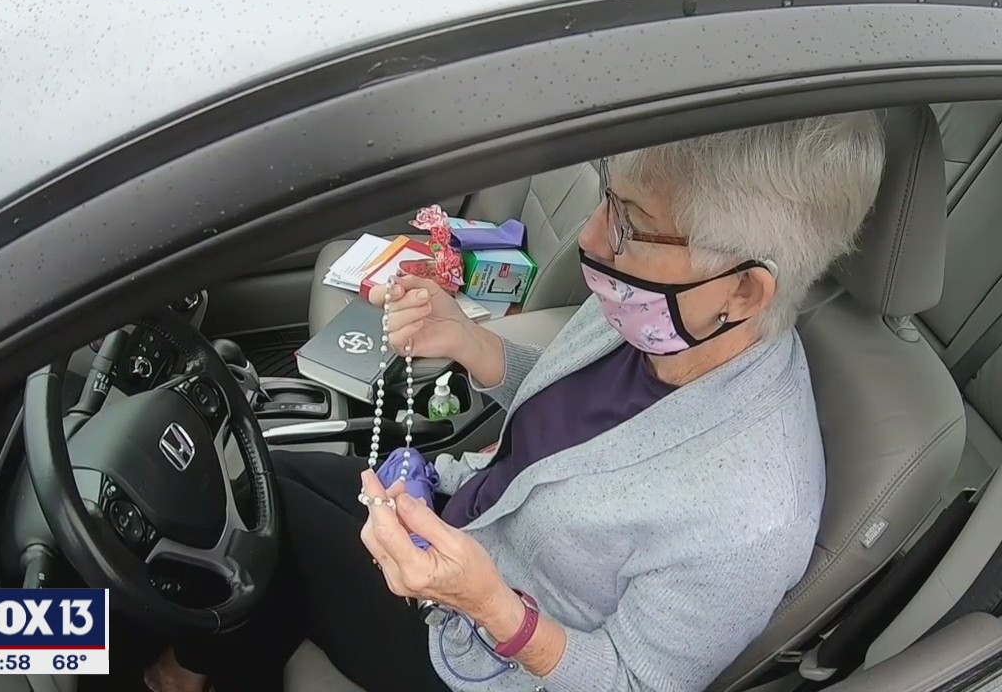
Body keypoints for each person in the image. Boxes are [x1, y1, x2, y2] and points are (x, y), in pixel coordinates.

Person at [146, 111, 887, 692]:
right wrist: (474, 345)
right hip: (460, 519)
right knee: (265, 482)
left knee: (264, 533)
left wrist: (488, 604)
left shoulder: (752, 516)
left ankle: (182, 672)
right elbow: (568, 416)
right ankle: (199, 666)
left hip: (481, 654)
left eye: (630, 223)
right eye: (608, 200)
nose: (594, 238)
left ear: (746, 289)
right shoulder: (672, 313)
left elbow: (633, 683)